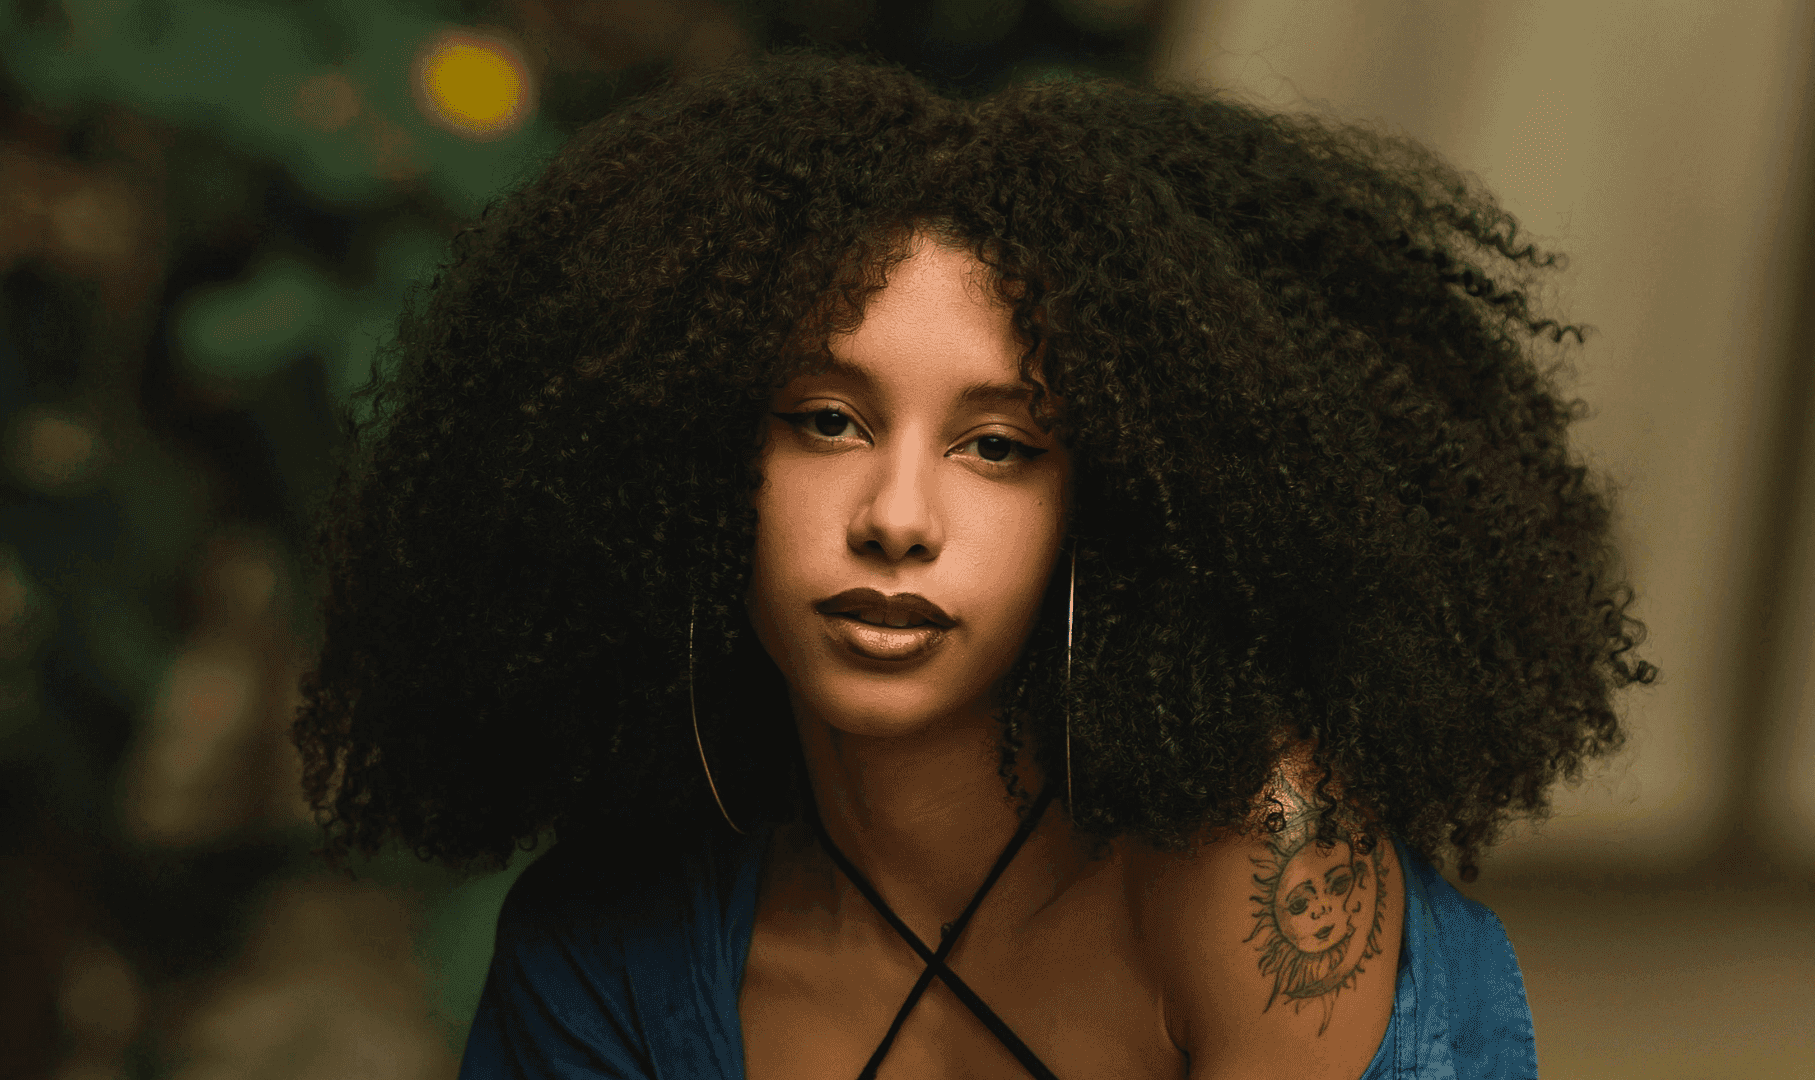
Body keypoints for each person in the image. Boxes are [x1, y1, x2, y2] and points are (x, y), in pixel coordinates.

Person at [292, 51, 1655, 1080]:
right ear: (693, 463)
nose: (896, 514)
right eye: (827, 422)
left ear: (1119, 500)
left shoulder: (1265, 859)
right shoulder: (611, 956)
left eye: (998, 446)